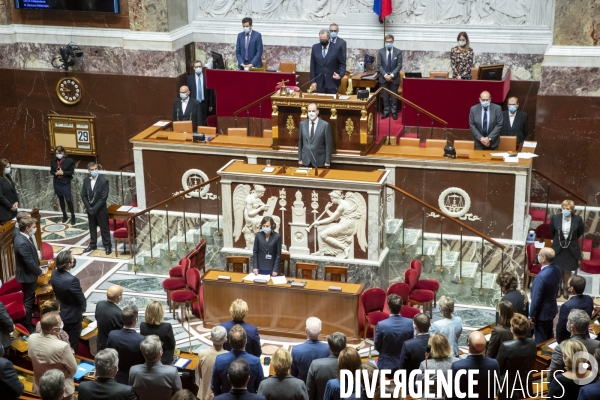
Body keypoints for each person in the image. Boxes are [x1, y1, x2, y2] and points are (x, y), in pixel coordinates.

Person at [28, 313, 77, 399]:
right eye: (60, 323)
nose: (62, 324)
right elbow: (73, 369)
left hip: (41, 385)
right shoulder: (62, 346)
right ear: (54, 329)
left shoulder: (31, 338)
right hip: (60, 388)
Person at [549, 309, 600, 384]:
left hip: (568, 388)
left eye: (568, 321)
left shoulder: (561, 347)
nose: (567, 323)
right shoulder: (597, 344)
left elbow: (553, 373)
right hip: (590, 384)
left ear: (572, 327)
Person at [211, 325, 265, 396]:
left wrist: (221, 397)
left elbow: (214, 386)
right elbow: (261, 386)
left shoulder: (219, 360)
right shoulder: (255, 361)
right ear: (246, 341)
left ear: (229, 341)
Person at [50, 250, 86, 353]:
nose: (74, 261)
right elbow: (80, 298)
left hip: (61, 310)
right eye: (73, 260)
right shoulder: (72, 280)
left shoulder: (54, 273)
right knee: (73, 343)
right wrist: (83, 309)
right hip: (72, 316)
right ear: (69, 264)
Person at [496, 314, 537, 400]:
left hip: (508, 387)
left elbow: (498, 367)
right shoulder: (532, 343)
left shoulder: (506, 346)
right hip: (526, 384)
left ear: (512, 329)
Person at [448, 331, 500, 400]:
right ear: (485, 346)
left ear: (468, 344)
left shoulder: (457, 366)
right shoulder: (494, 364)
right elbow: (494, 389)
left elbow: (449, 394)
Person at [129, 335, 182, 400]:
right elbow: (179, 395)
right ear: (160, 352)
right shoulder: (172, 372)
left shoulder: (133, 371)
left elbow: (132, 394)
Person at [550, 200, 585, 299]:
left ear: (572, 210)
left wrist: (569, 240)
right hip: (558, 247)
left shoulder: (577, 219)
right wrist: (560, 240)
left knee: (567, 270)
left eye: (568, 209)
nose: (565, 210)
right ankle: (558, 288)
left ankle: (566, 288)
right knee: (558, 270)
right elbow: (552, 232)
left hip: (571, 248)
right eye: (564, 208)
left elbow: (580, 232)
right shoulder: (555, 218)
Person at [14, 215, 43, 332]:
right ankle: (27, 323)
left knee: (29, 297)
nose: (35, 228)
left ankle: (29, 314)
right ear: (27, 228)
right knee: (28, 299)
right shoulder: (22, 243)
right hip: (28, 276)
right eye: (33, 227)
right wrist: (40, 271)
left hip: (27, 274)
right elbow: (29, 263)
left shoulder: (21, 236)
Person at [529, 247, 562, 344]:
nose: (537, 256)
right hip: (551, 308)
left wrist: (532, 315)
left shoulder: (541, 277)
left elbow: (536, 298)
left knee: (541, 340)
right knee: (549, 335)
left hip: (541, 313)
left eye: (539, 254)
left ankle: (542, 358)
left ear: (543, 259)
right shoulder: (557, 269)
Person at [107, 305, 146, 384]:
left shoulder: (112, 335)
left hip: (118, 376)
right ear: (136, 320)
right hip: (136, 378)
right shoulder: (141, 339)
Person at [374, 294, 413, 372]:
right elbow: (410, 343)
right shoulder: (409, 322)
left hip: (386, 366)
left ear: (388, 308)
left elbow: (377, 346)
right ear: (401, 307)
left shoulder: (381, 325)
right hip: (404, 365)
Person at [415, 334, 458, 400]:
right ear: (447, 345)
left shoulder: (425, 364)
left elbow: (419, 388)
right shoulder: (457, 362)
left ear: (431, 348)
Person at [81, 161, 111, 255]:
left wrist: (94, 209)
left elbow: (103, 198)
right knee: (92, 227)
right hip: (90, 209)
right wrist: (89, 208)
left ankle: (107, 245)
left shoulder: (104, 181)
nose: (94, 171)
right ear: (89, 171)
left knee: (104, 228)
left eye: (96, 169)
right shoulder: (86, 181)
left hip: (100, 209)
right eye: (92, 170)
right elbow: (83, 195)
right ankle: (93, 244)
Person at [306, 331, 346, 400]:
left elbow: (309, 392)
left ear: (329, 347)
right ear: (345, 347)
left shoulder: (315, 365)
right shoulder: (353, 364)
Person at [291, 317, 331, 383]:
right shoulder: (328, 349)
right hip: (321, 388)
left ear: (306, 330)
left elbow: (293, 375)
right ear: (320, 332)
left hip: (302, 388)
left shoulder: (296, 350)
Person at [556, 275, 594, 343]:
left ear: (571, 288)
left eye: (568, 284)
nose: (567, 285)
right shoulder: (589, 299)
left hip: (571, 341)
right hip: (585, 336)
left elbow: (561, 328)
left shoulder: (566, 306)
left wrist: (560, 343)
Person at [309, 30, 346, 94]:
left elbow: (342, 64)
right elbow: (313, 65)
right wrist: (313, 81)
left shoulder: (336, 48)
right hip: (319, 82)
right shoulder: (315, 47)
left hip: (332, 82)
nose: (323, 41)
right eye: (321, 40)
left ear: (329, 38)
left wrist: (340, 75)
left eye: (324, 40)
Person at [297, 103, 332, 169]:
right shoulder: (302, 124)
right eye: (309, 111)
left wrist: (327, 161)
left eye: (313, 111)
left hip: (319, 160)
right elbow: (300, 143)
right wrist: (300, 158)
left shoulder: (325, 125)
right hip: (305, 160)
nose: (311, 113)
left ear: (317, 112)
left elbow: (328, 145)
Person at [140, 300, 175, 365]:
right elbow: (172, 345)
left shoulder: (142, 326)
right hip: (164, 360)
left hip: (147, 359)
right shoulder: (167, 327)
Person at [197, 326, 228, 400]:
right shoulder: (228, 356)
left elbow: (201, 375)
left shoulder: (202, 353)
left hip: (204, 395)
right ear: (225, 340)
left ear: (210, 338)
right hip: (221, 396)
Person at [377, 34, 402, 120]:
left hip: (394, 78)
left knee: (394, 97)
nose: (388, 43)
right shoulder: (381, 51)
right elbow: (379, 65)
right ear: (385, 42)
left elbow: (399, 66)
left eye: (390, 42)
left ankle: (394, 112)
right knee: (385, 97)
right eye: (387, 42)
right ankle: (386, 112)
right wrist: (385, 75)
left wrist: (391, 75)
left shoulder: (398, 52)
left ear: (393, 41)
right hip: (384, 78)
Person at [50, 146, 76, 225]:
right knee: (61, 199)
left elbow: (71, 172)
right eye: (57, 153)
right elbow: (51, 171)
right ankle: (64, 214)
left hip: (65, 182)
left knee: (68, 200)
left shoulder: (69, 161)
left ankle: (72, 215)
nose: (58, 155)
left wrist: (63, 173)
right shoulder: (53, 161)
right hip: (57, 182)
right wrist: (55, 173)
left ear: (64, 152)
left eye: (60, 153)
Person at [95, 285, 124, 351]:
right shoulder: (119, 313)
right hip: (112, 346)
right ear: (119, 298)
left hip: (100, 342)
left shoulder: (99, 304)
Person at [187, 60, 214, 126]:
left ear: (202, 67)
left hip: (204, 103)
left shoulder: (207, 77)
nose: (198, 68)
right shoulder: (190, 78)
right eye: (196, 67)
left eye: (199, 66)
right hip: (194, 103)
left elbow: (210, 92)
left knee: (204, 121)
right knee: (195, 121)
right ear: (194, 68)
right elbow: (188, 91)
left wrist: (211, 104)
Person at [0, 158, 19, 225]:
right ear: (2, 168)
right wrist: (11, 206)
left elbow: (13, 189)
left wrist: (16, 201)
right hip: (5, 212)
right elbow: (0, 196)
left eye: (9, 167)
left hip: (12, 209)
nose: (9, 169)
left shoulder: (7, 176)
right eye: (7, 167)